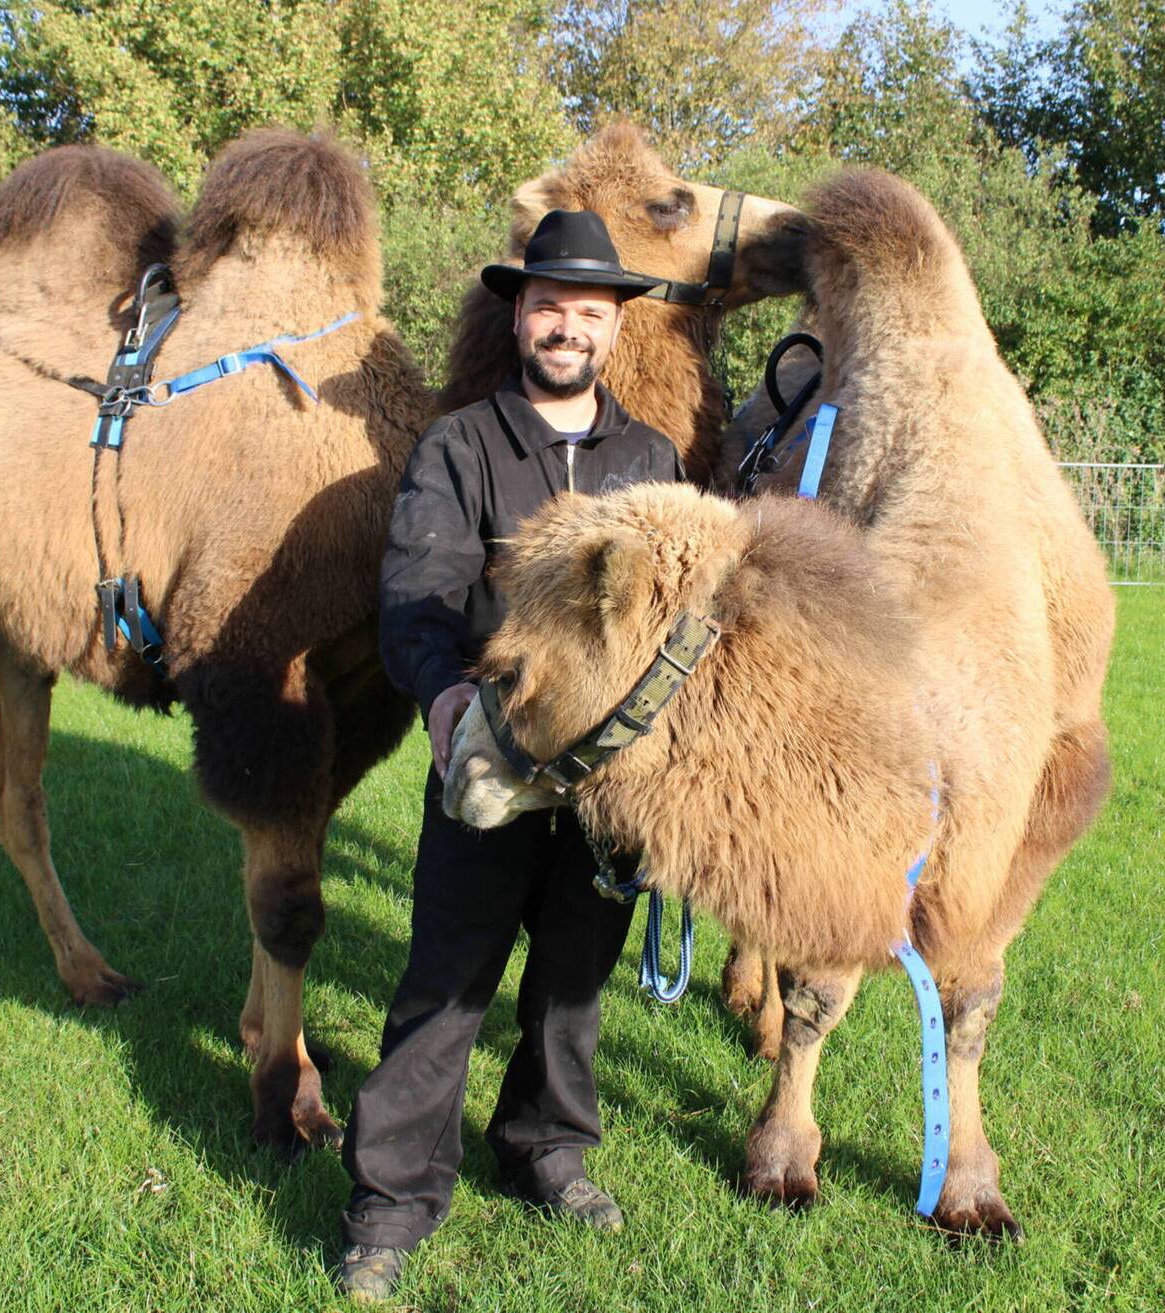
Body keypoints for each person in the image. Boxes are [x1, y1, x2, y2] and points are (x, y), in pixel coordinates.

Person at [335, 210, 682, 1303]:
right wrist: (446, 712)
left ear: (614, 328)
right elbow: (416, 598)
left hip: (610, 784)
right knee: (446, 982)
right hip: (490, 765)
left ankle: (544, 1147)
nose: (565, 325)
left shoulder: (653, 460)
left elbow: (685, 620)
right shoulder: (459, 446)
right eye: (547, 306)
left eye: (587, 309)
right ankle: (391, 1202)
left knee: (573, 982)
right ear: (517, 315)